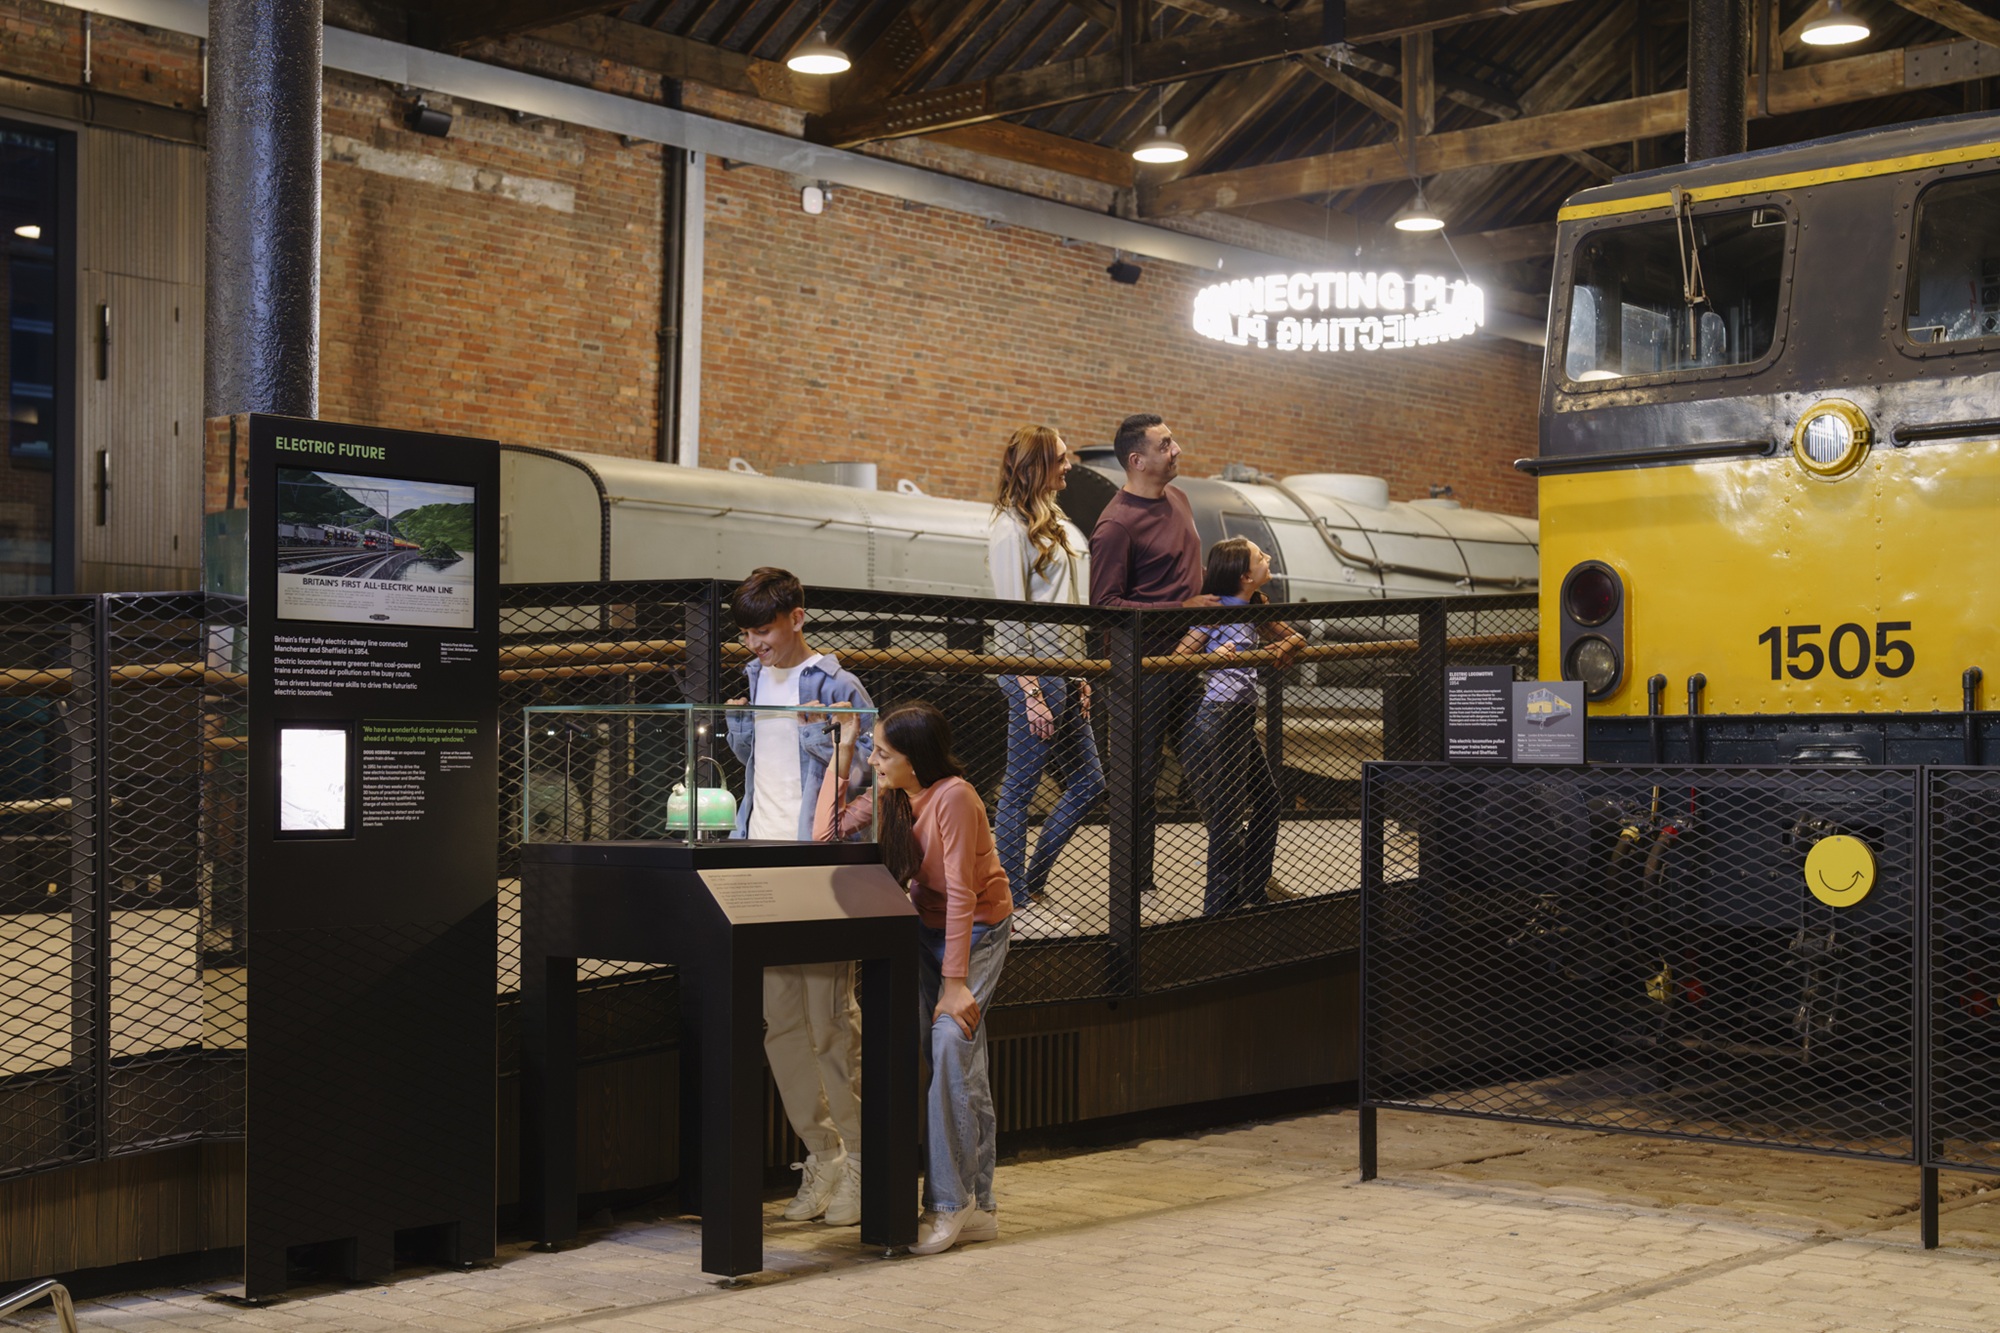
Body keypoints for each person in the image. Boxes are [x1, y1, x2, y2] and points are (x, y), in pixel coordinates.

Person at [816, 701, 1013, 1256]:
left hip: (976, 931)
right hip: (925, 932)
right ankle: (983, 1207)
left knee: (951, 1044)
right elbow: (825, 832)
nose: (877, 761)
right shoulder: (892, 795)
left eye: (883, 752)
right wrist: (847, 748)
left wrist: (955, 983)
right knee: (963, 1061)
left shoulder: (955, 796)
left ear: (915, 757)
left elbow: (962, 895)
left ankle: (950, 1204)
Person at [723, 566, 873, 1227]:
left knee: (831, 1022)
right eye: (747, 632)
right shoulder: (755, 678)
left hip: (816, 862)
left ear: (797, 618)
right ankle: (823, 1155)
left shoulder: (837, 683)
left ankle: (865, 1161)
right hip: (760, 856)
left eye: (764, 629)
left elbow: (863, 771)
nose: (755, 643)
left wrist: (828, 733)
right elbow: (755, 765)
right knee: (779, 1021)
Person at [1087, 414, 1219, 912]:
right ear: (1137, 460)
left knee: (1210, 766)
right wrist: (1180, 611)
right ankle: (1134, 891)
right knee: (1138, 781)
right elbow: (1106, 606)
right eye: (1166, 444)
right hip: (1141, 670)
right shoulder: (1115, 525)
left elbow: (1189, 575)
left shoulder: (1180, 501)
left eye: (1174, 440)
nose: (1177, 448)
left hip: (1189, 662)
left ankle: (1225, 877)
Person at [987, 425, 1104, 938]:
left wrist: (1078, 672)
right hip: (1030, 671)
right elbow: (1013, 618)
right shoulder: (1008, 528)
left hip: (1062, 670)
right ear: (1035, 465)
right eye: (1058, 459)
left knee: (1089, 781)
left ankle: (1029, 883)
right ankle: (1012, 897)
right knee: (1018, 790)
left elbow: (1069, 609)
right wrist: (1031, 690)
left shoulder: (1059, 522)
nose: (1067, 466)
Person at [1175, 538, 1305, 915]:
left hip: (1240, 717)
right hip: (1219, 717)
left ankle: (1252, 886)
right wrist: (1212, 656)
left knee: (1267, 802)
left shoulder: (1255, 608)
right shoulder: (1217, 610)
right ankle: (1219, 907)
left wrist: (1285, 646)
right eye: (1260, 556)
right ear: (1246, 574)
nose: (1268, 558)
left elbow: (1295, 636)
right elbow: (1180, 656)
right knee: (1228, 816)